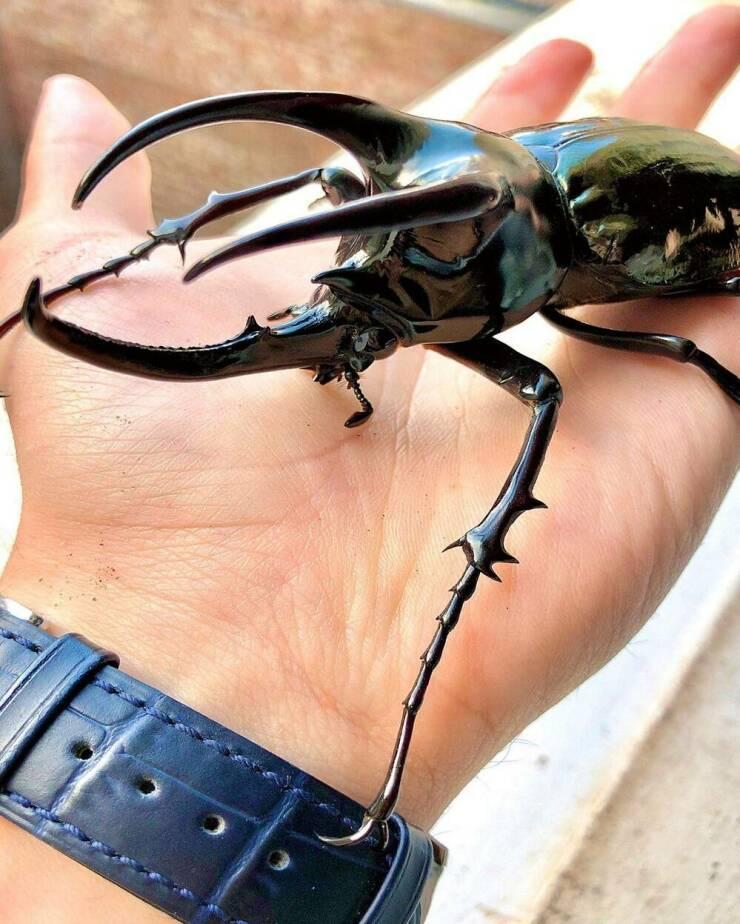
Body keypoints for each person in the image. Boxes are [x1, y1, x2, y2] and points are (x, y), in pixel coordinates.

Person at [0, 6, 738, 921]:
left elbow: (547, 383)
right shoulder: (469, 196)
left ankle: (456, 595)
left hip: (670, 205)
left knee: (549, 390)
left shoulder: (581, 238)